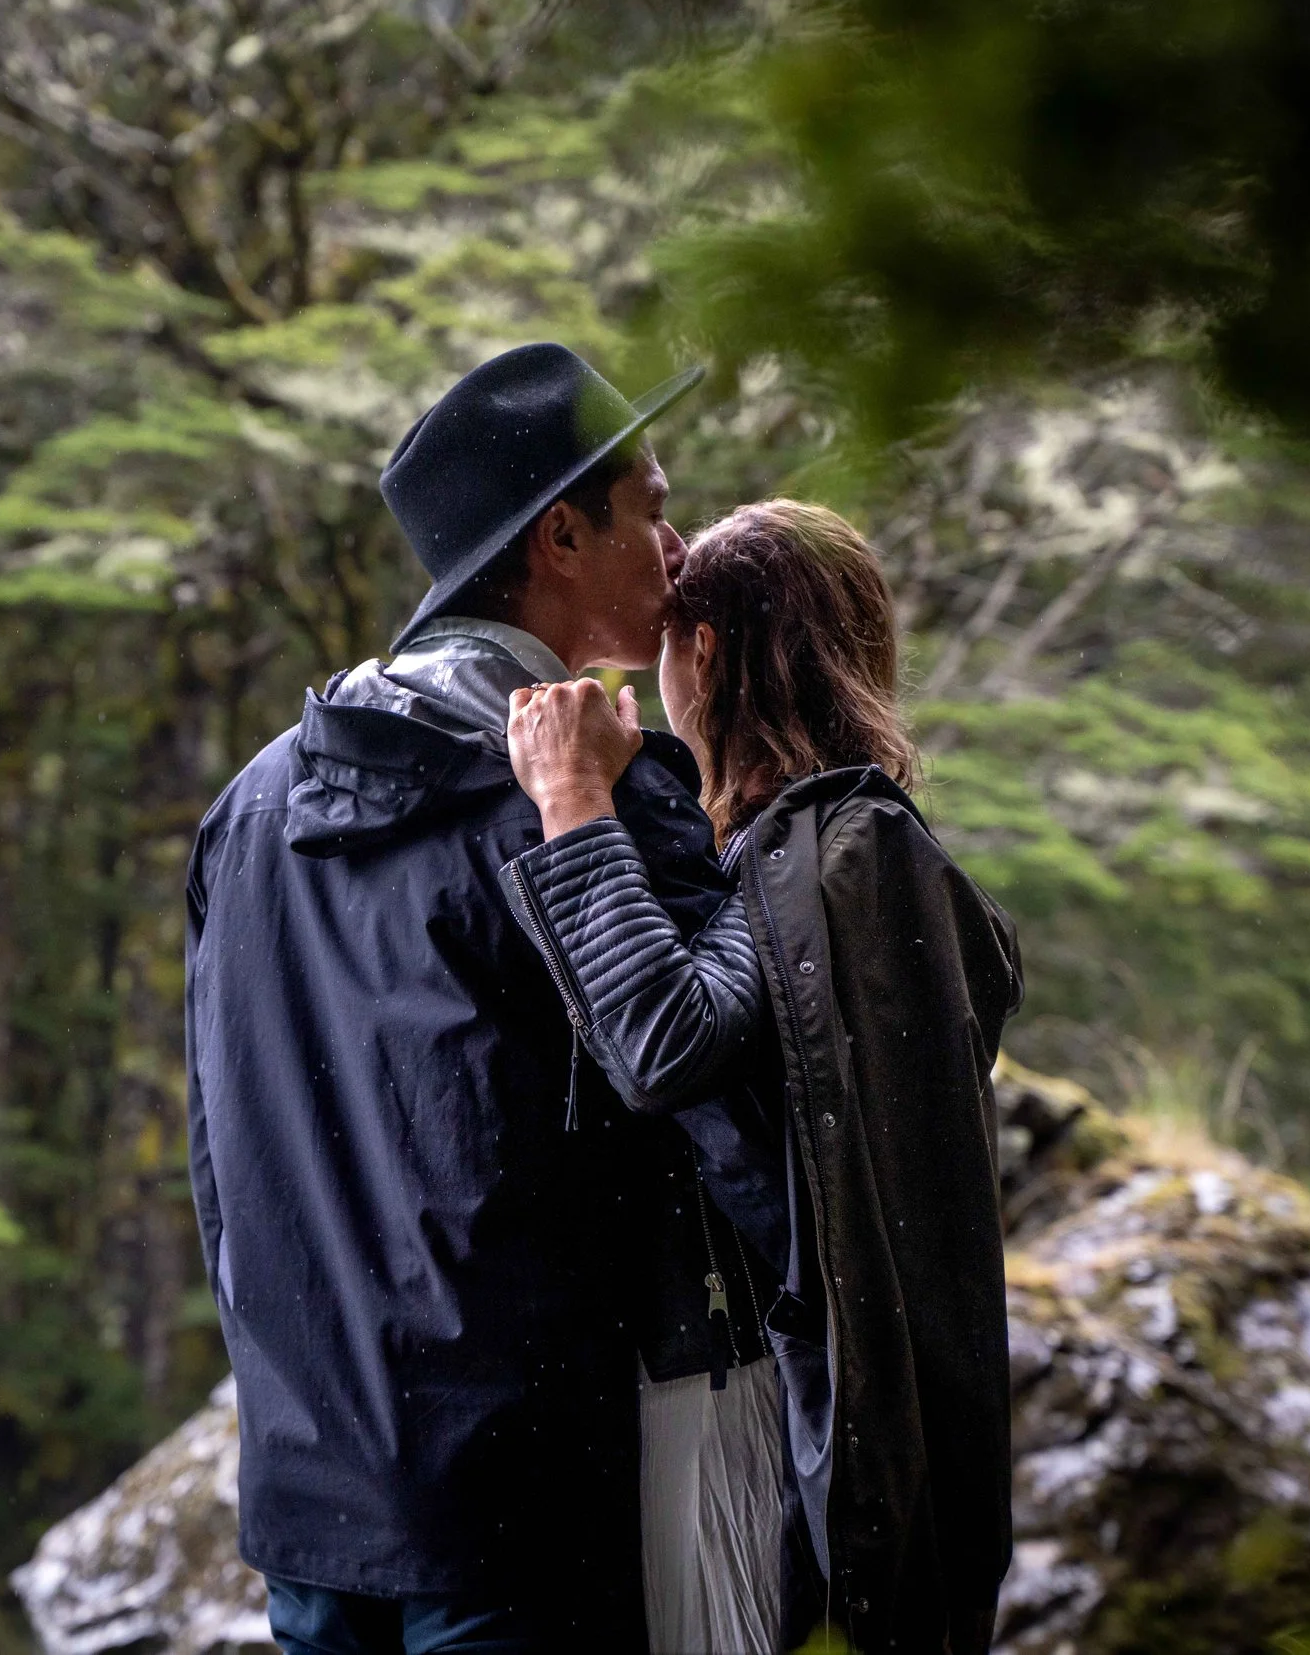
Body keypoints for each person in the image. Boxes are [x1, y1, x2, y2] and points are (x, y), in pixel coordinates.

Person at [184, 343, 772, 1652]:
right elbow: (727, 1094)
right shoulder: (588, 798)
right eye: (654, 508)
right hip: (528, 1494)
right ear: (562, 534)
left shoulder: (250, 809)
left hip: (311, 1489)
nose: (677, 545)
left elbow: (224, 1165)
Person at [504, 499, 1024, 1654]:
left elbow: (664, 1037)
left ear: (710, 651)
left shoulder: (826, 851)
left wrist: (574, 804)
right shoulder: (859, 848)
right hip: (877, 1434)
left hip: (822, 1442)